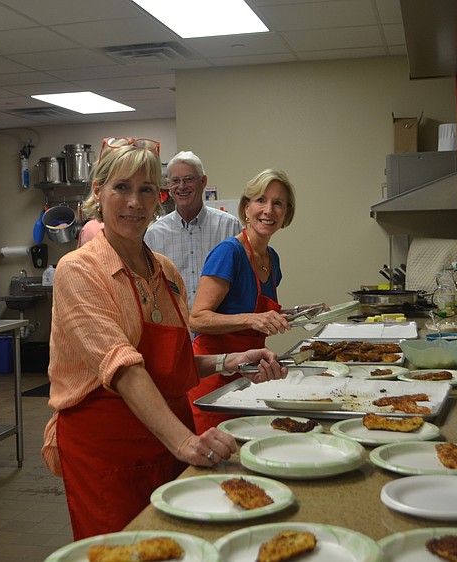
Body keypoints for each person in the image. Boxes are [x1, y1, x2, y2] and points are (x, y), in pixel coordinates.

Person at [41, 138, 287, 540]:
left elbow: (171, 366)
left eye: (146, 190)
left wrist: (234, 361)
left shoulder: (166, 273)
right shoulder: (80, 271)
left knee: (176, 543)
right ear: (98, 192)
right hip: (108, 445)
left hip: (165, 434)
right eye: (121, 187)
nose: (134, 202)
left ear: (160, 199)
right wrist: (186, 442)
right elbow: (123, 368)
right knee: (123, 548)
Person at [187, 169, 297, 434]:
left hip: (247, 373)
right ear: (246, 208)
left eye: (278, 203)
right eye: (261, 200)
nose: (268, 210)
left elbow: (252, 310)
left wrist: (300, 314)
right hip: (212, 377)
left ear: (286, 214)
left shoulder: (272, 258)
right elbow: (197, 318)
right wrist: (253, 319)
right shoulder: (229, 253)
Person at [144, 150, 242, 303]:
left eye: (188, 179)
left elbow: (241, 281)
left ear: (203, 182)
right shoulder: (154, 235)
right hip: (176, 323)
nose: (182, 186)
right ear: (169, 186)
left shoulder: (229, 227)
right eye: (175, 181)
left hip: (221, 324)